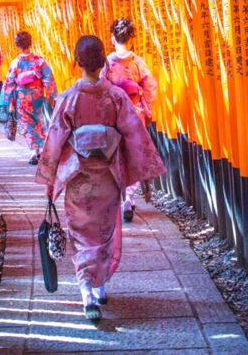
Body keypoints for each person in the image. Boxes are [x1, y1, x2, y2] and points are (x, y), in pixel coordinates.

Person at [35, 35, 166, 320]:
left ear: (77, 61)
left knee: (81, 233)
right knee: (105, 233)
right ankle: (101, 287)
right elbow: (134, 135)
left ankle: (86, 292)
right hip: (108, 177)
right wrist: (144, 176)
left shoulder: (68, 98)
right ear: (101, 61)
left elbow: (54, 143)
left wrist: (49, 183)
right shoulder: (116, 97)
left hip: (78, 179)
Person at [102, 18, 158, 222]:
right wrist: (147, 107)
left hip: (115, 115)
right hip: (135, 113)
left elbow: (102, 88)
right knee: (134, 154)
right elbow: (150, 86)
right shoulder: (138, 62)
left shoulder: (107, 63)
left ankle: (122, 194)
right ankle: (130, 197)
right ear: (131, 39)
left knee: (118, 154)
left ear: (112, 38)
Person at [2, 30, 57, 165]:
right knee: (39, 122)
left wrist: (5, 101)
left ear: (17, 45)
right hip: (37, 97)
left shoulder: (15, 63)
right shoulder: (39, 62)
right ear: (30, 44)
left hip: (22, 99)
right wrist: (51, 96)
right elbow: (48, 79)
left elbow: (9, 83)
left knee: (26, 124)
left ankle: (34, 150)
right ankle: (39, 149)